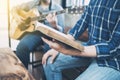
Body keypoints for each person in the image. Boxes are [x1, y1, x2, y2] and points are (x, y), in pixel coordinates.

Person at [42, 0, 120, 80]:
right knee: (49, 62)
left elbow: (114, 48)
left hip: (113, 60)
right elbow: (80, 25)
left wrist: (71, 50)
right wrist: (61, 46)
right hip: (90, 48)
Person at [12, 0, 64, 68]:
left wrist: (55, 26)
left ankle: (45, 77)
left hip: (51, 36)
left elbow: (61, 31)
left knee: (49, 53)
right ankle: (24, 75)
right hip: (35, 33)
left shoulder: (58, 9)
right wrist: (17, 17)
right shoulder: (32, 4)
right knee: (22, 47)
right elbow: (15, 8)